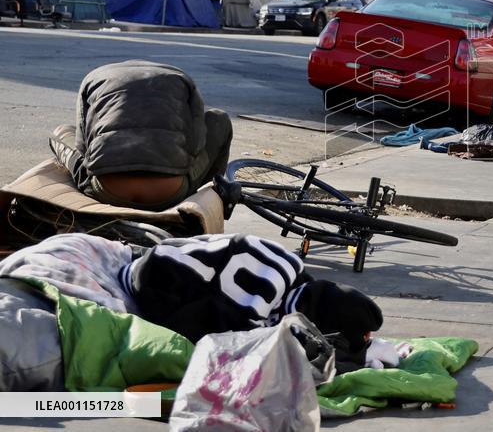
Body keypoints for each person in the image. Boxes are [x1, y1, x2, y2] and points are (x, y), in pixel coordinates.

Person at [121, 233, 383, 352]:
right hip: (154, 278)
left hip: (169, 252)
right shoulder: (252, 309)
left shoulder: (294, 267)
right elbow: (210, 345)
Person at [47, 61, 232, 209]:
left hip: (105, 191)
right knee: (219, 119)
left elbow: (82, 145)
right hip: (171, 193)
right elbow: (197, 144)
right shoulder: (182, 79)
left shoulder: (92, 79)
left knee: (62, 132)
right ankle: (208, 196)